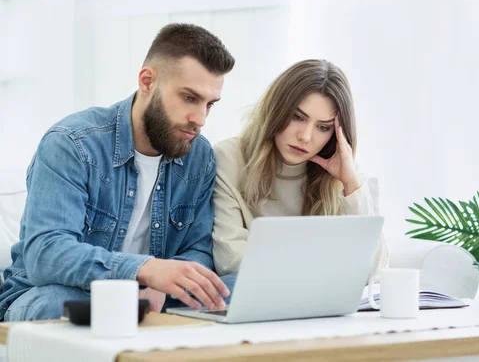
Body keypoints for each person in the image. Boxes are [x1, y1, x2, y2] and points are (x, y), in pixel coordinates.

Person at [0, 23, 236, 321]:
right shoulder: (72, 144)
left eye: (209, 104)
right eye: (189, 98)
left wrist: (168, 282)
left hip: (153, 298)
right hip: (64, 293)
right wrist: (144, 270)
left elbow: (199, 249)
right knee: (57, 301)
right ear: (147, 81)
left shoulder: (199, 155)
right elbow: (46, 254)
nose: (199, 119)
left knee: (239, 289)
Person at [211, 59, 388, 278]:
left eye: (323, 127)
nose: (305, 136)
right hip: (263, 302)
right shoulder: (229, 158)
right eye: (297, 117)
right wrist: (322, 272)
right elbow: (230, 260)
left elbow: (375, 273)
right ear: (276, 109)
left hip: (322, 305)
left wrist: (351, 185)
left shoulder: (343, 174)